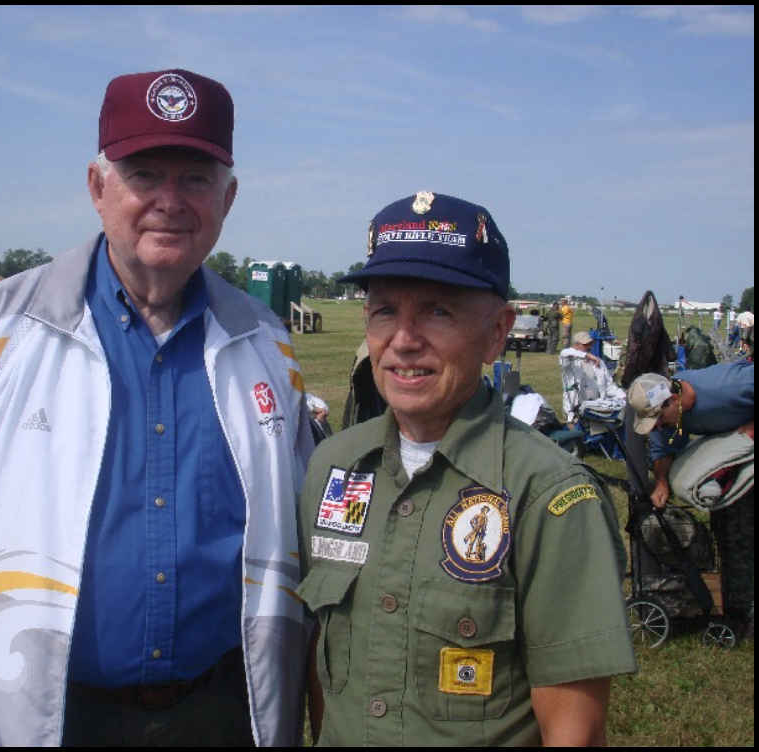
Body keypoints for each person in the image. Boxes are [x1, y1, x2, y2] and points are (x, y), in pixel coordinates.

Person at [0, 68, 314, 747]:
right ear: (97, 188)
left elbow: (304, 545)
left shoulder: (265, 342)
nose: (170, 201)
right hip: (48, 719)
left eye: (195, 178)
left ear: (226, 199)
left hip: (222, 711)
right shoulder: (0, 328)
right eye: (144, 174)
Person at [296, 191, 637, 747]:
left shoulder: (546, 494)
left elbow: (575, 731)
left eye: (437, 310)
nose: (403, 341)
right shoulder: (333, 465)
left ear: (498, 331)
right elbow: (323, 670)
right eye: (385, 310)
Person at [627, 363, 754, 638]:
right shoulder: (671, 412)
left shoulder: (730, 386)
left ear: (674, 400)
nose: (658, 426)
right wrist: (662, 482)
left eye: (659, 419)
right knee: (731, 530)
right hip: (738, 455)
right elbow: (663, 451)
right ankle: (737, 609)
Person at [559, 330, 626, 425]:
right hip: (575, 412)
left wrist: (624, 396)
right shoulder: (569, 363)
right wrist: (587, 356)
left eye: (591, 343)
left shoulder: (599, 363)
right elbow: (564, 353)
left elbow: (609, 387)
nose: (589, 347)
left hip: (597, 410)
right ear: (575, 345)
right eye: (586, 344)